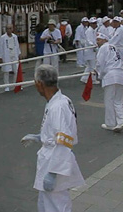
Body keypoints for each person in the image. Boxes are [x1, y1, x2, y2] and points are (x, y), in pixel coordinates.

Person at [21, 65, 84, 212]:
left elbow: (64, 141)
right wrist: (40, 136)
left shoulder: (58, 107)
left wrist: (53, 172)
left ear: (40, 84)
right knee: (46, 203)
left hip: (55, 161)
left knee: (57, 205)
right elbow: (59, 132)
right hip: (51, 157)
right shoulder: (60, 100)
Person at [95, 32, 123, 132]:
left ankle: (110, 123)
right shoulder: (114, 47)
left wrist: (97, 73)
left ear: (105, 40)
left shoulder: (103, 48)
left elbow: (100, 62)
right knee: (118, 101)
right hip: (120, 74)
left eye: (99, 40)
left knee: (109, 100)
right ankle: (122, 120)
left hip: (110, 75)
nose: (97, 42)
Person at [0, 24, 21, 92]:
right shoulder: (3, 37)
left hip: (14, 54)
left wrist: (18, 55)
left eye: (10, 28)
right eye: (7, 28)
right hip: (6, 55)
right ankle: (6, 86)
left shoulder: (15, 37)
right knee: (6, 71)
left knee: (16, 70)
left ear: (12, 29)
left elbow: (17, 46)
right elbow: (0, 47)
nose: (9, 30)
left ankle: (15, 84)